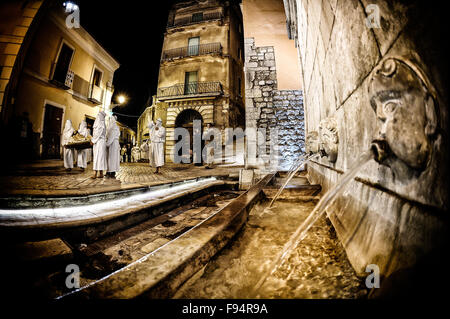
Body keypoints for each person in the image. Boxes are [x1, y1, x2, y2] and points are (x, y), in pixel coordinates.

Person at [91, 110, 107, 179]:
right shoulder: (102, 123)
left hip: (99, 142)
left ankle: (95, 173)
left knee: (98, 157)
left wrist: (93, 140)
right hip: (99, 142)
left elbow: (98, 134)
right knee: (99, 157)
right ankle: (100, 173)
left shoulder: (100, 124)